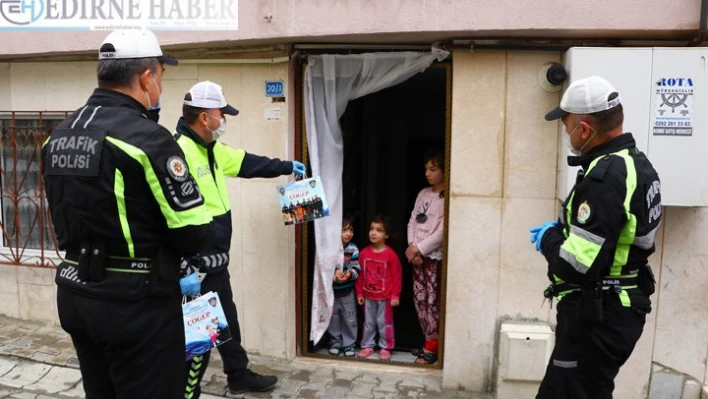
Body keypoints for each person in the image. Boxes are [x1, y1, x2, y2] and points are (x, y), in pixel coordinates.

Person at [41, 30, 213, 399]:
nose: (161, 89)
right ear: (147, 77)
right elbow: (193, 230)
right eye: (162, 77)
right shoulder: (147, 138)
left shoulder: (56, 135)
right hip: (135, 303)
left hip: (75, 293)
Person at [531, 76, 661, 399]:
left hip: (597, 318)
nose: (565, 132)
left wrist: (549, 238)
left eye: (566, 124)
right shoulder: (638, 165)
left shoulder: (604, 179)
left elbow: (576, 265)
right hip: (619, 310)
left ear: (585, 129)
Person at [174, 80, 306, 398]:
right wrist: (184, 265)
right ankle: (179, 386)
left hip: (215, 257)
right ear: (205, 117)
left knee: (224, 317)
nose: (225, 120)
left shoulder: (212, 149)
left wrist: (287, 166)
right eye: (222, 113)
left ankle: (237, 374)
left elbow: (248, 163)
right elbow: (168, 215)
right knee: (200, 332)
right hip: (195, 261)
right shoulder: (177, 153)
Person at [405, 149, 445, 365]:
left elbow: (442, 232)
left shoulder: (448, 197)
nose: (428, 173)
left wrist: (420, 248)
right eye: (426, 169)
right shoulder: (423, 193)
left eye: (433, 169)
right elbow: (412, 220)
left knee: (433, 301)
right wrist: (412, 247)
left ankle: (433, 346)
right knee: (420, 299)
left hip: (432, 257)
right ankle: (427, 340)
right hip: (417, 255)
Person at [356, 215, 402, 361]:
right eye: (371, 229)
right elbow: (360, 275)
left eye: (379, 230)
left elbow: (396, 276)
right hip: (368, 296)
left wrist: (395, 295)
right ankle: (368, 345)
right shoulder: (363, 253)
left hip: (385, 298)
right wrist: (359, 293)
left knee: (384, 323)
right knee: (368, 322)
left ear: (386, 235)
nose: (373, 233)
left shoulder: (391, 255)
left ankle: (385, 346)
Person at [326, 214, 361, 357]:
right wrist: (334, 274)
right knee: (333, 318)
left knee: (350, 318)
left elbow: (356, 267)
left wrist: (349, 274)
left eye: (351, 230)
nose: (348, 233)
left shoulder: (353, 249)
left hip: (347, 291)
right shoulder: (330, 248)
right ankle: (335, 342)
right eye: (344, 230)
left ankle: (349, 344)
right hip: (332, 291)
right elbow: (324, 267)